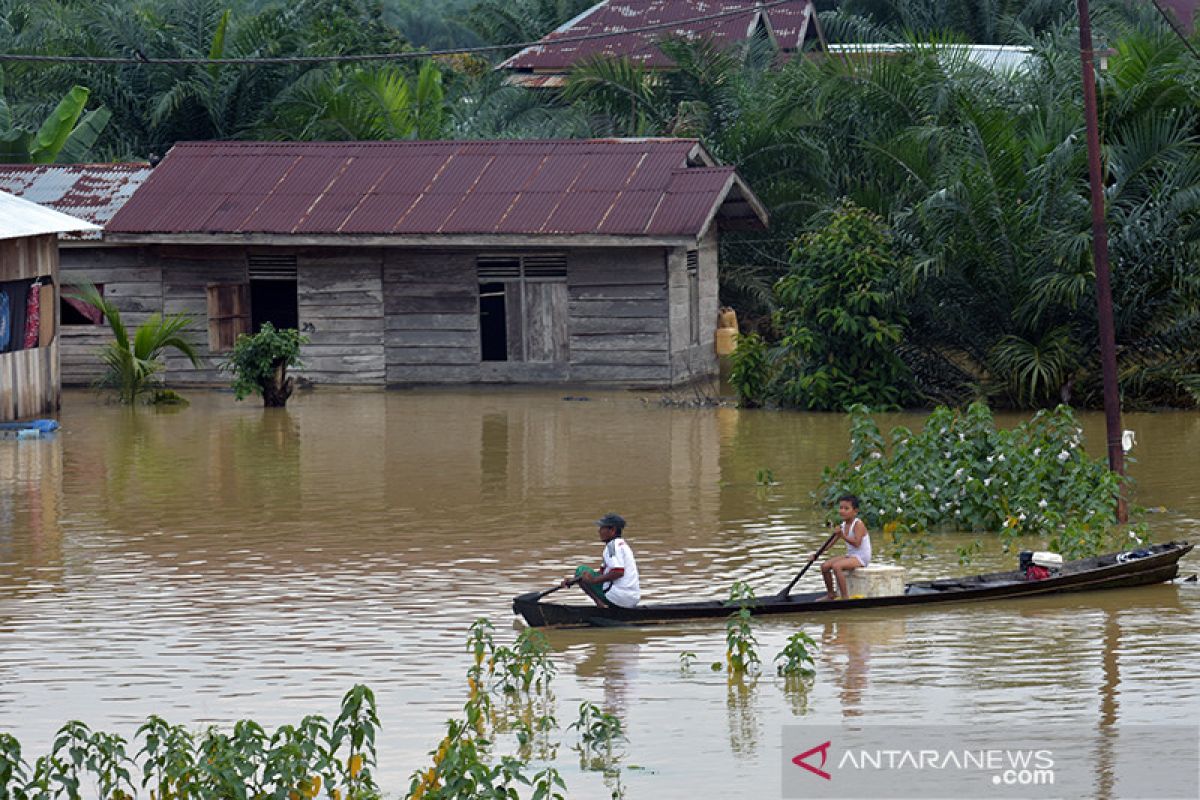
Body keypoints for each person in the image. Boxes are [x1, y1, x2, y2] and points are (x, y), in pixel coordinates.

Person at [562, 513, 641, 608]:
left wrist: (594, 580)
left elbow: (618, 572)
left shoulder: (613, 546)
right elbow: (603, 573)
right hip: (631, 598)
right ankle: (603, 604)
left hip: (619, 598)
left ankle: (600, 605)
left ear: (612, 530)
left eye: (602, 528)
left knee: (581, 569)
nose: (599, 531)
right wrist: (573, 581)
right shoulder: (621, 545)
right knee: (584, 573)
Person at [820, 494, 871, 600]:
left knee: (837, 566)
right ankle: (831, 594)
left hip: (861, 558)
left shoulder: (858, 524)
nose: (842, 511)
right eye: (841, 508)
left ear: (855, 511)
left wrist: (842, 535)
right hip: (851, 555)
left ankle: (845, 597)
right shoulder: (843, 525)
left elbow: (857, 543)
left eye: (846, 508)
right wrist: (816, 554)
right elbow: (829, 544)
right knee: (824, 566)